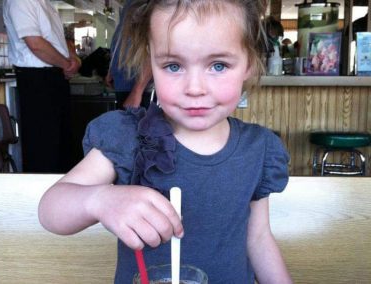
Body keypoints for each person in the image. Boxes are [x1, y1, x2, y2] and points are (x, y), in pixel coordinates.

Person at [38, 1, 292, 283]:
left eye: (218, 65)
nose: (195, 88)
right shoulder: (129, 137)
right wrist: (98, 200)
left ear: (249, 63)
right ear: (151, 64)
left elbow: (257, 239)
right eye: (173, 66)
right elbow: (51, 210)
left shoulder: (258, 149)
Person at [3, 0, 80, 173]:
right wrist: (66, 64)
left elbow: (57, 40)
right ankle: (41, 197)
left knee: (61, 145)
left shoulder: (45, 3)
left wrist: (71, 58)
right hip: (37, 79)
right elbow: (35, 44)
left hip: (54, 76)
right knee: (43, 147)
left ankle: (63, 196)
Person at [105, 0, 153, 109]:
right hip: (124, 81)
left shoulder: (146, 3)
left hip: (137, 84)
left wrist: (137, 90)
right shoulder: (129, 4)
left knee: (138, 124)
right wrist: (112, 68)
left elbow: (154, 49)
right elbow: (121, 37)